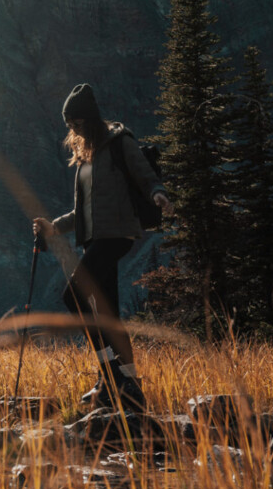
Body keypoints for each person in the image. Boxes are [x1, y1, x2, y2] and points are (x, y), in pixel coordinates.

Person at [32, 83, 172, 414]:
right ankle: (127, 386)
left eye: (77, 123)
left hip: (118, 234)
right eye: (70, 125)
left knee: (73, 295)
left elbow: (145, 176)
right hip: (94, 239)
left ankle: (110, 376)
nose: (73, 130)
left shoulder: (120, 141)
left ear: (91, 119)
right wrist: (55, 227)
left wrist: (159, 194)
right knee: (107, 313)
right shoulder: (86, 156)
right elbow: (83, 212)